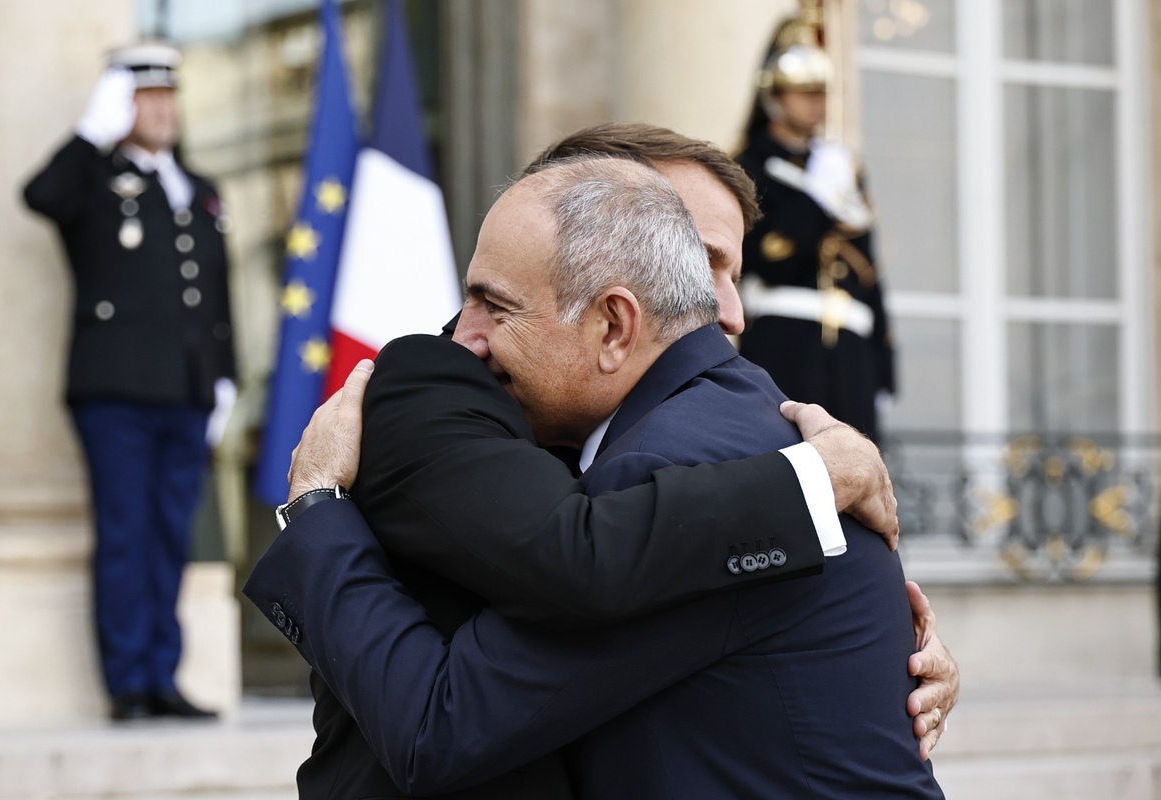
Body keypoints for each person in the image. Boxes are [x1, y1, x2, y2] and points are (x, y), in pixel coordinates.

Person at [246, 156, 950, 797]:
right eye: (699, 260)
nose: (725, 311)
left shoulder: (677, 459)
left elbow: (443, 725)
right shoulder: (713, 433)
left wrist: (316, 508)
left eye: (497, 305)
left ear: (614, 326)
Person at [23, 43, 235, 721]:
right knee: (124, 533)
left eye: (169, 97)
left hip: (187, 392)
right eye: (147, 98)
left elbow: (216, 295)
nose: (163, 111)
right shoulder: (93, 180)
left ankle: (162, 676)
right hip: (115, 392)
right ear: (122, 107)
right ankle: (127, 683)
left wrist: (224, 378)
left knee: (169, 536)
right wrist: (91, 132)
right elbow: (40, 196)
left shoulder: (199, 189)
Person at [736, 10, 895, 440]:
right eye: (803, 92)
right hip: (785, 342)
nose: (816, 104)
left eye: (821, 92)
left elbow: (868, 269)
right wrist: (817, 201)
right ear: (774, 96)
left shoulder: (838, 167)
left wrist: (884, 366)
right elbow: (768, 261)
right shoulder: (748, 167)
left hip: (850, 349)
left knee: (856, 467)